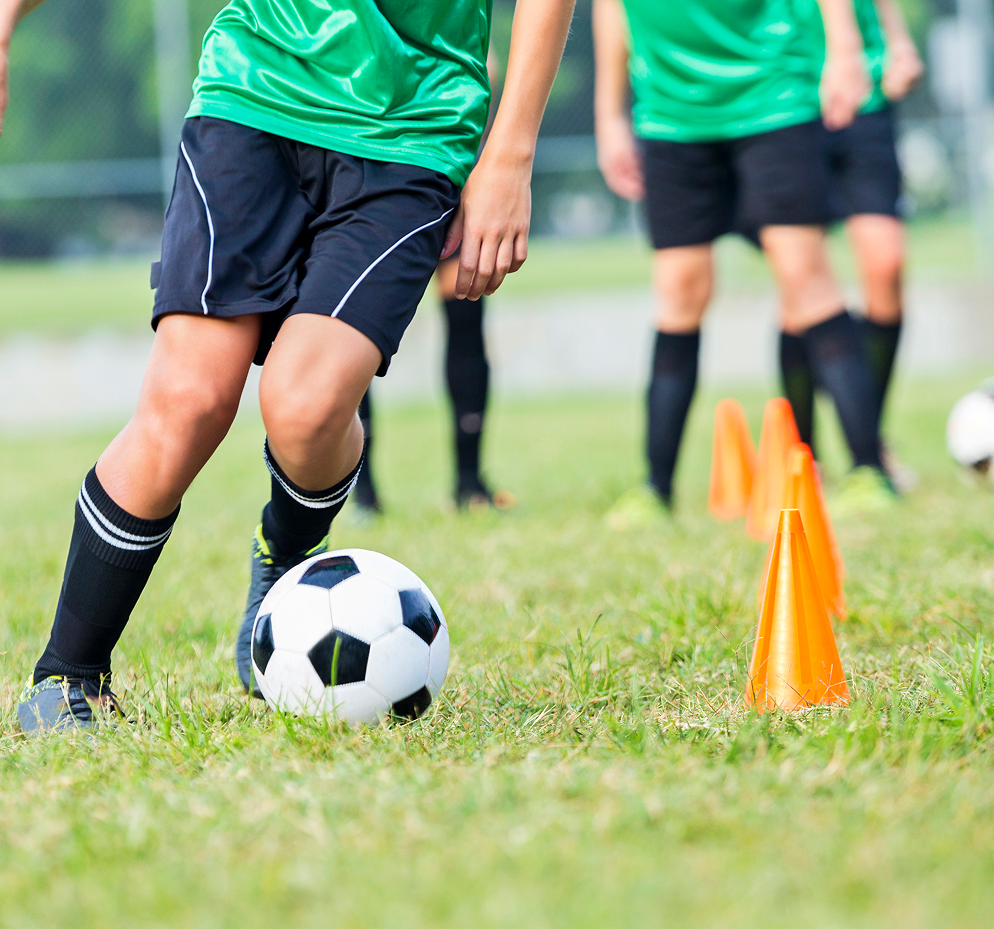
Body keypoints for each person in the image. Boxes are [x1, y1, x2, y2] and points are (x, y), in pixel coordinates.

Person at [3, 0, 576, 730]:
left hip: (413, 124)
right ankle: (69, 677)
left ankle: (287, 551)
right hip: (255, 89)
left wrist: (511, 154)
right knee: (190, 400)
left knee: (305, 409)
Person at [594, 0, 896, 529]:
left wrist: (844, 50)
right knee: (679, 288)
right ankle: (655, 488)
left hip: (772, 98)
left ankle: (869, 470)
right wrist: (608, 116)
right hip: (670, 113)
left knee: (805, 277)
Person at [351, 47, 514, 518]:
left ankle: (469, 485)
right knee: (354, 325)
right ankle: (362, 493)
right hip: (369, 148)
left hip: (443, 151)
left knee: (465, 314)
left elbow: (487, 61)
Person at [779, 0, 923, 488]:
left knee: (886, 264)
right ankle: (803, 459)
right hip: (787, 95)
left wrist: (897, 38)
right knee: (799, 288)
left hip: (865, 91)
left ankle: (868, 440)